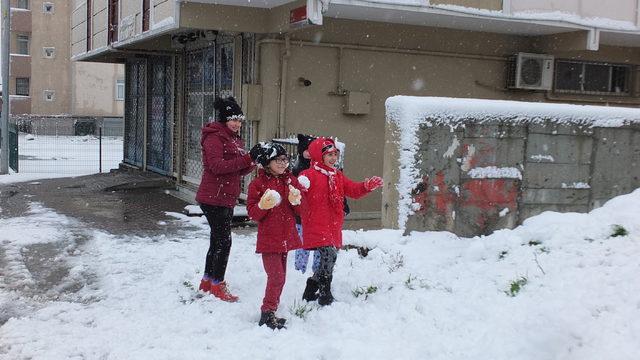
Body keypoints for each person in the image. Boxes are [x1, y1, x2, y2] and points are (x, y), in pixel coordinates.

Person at [298, 137, 383, 306]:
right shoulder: (308, 175)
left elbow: (353, 190)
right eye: (328, 155)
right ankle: (325, 294)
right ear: (318, 156)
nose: (333, 158)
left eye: (334, 154)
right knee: (329, 255)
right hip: (316, 222)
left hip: (333, 224)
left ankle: (311, 287)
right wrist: (300, 187)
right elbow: (297, 193)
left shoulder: (337, 176)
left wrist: (367, 186)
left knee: (328, 258)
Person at [195, 96, 261, 302]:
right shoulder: (215, 137)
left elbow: (237, 171)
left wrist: (254, 161)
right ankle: (218, 284)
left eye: (239, 120)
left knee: (217, 241)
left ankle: (208, 282)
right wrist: (247, 158)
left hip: (225, 197)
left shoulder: (234, 138)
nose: (237, 123)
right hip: (213, 197)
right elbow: (217, 167)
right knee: (224, 241)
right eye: (233, 119)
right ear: (224, 119)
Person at [246, 143, 303, 329]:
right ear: (267, 162)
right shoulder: (258, 184)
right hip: (269, 238)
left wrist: (296, 201)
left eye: (285, 159)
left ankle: (271, 311)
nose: (283, 163)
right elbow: (253, 213)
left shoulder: (290, 181)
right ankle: (267, 312)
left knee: (281, 277)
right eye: (278, 160)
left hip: (285, 236)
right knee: (276, 277)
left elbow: (301, 210)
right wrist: (262, 205)